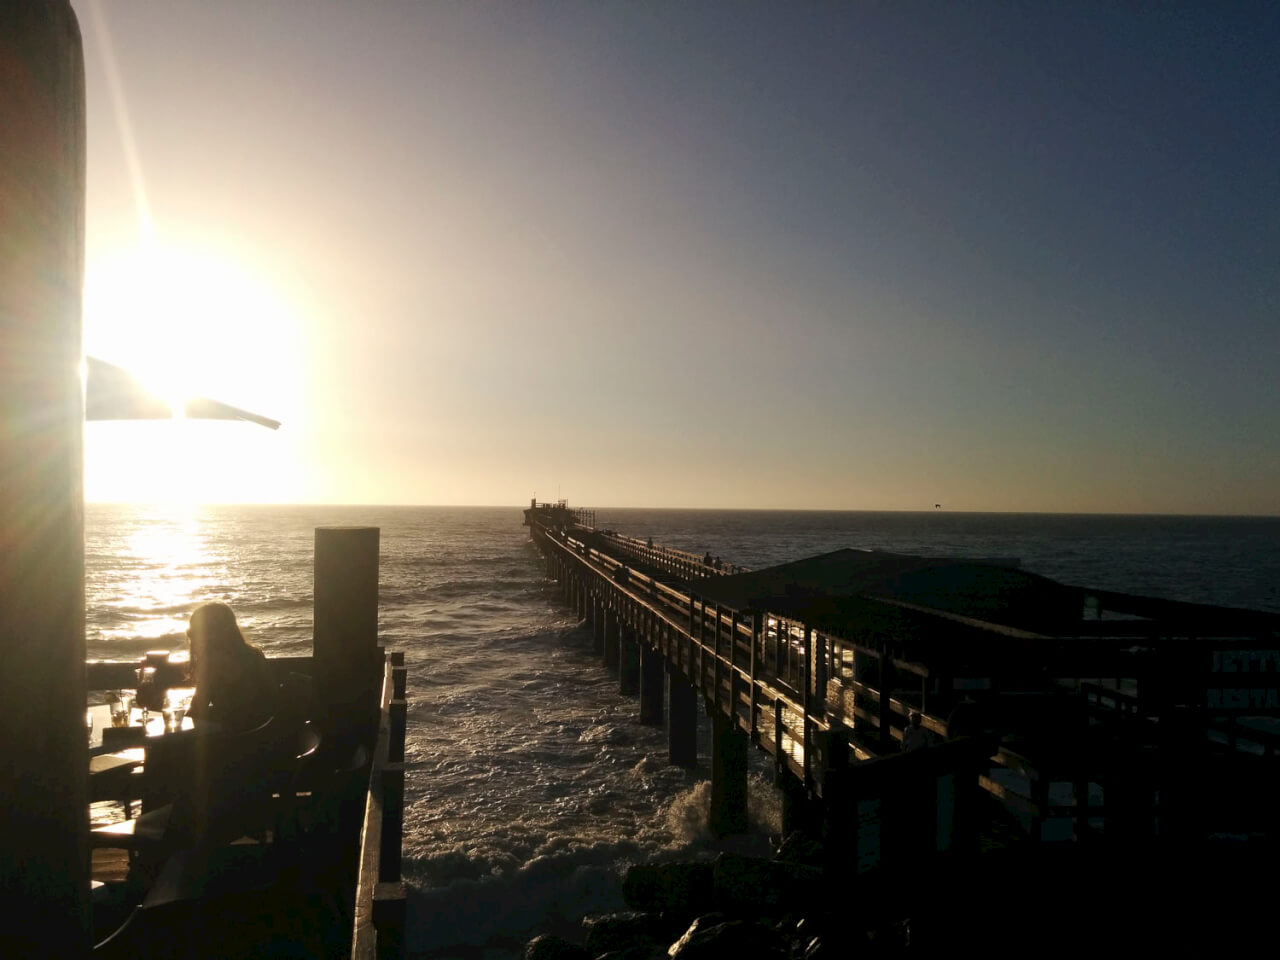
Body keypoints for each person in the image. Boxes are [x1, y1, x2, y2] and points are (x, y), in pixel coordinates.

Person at [184, 601, 278, 733]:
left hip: (235, 739)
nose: (191, 637)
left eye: (193, 632)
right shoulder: (254, 655)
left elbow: (197, 709)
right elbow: (272, 698)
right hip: (266, 733)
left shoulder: (212, 664)